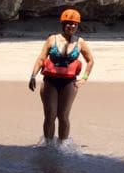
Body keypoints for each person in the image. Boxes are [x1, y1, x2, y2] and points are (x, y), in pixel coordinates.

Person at [28, 8, 94, 144]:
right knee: (50, 115)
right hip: (50, 82)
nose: (72, 26)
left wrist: (84, 78)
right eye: (69, 23)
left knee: (63, 116)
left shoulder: (80, 42)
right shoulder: (52, 39)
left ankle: (63, 146)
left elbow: (90, 61)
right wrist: (33, 76)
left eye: (75, 24)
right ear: (63, 24)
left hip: (69, 83)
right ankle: (48, 144)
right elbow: (41, 58)